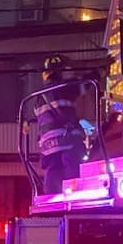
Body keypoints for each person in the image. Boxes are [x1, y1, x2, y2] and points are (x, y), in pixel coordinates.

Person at [35, 55, 88, 195]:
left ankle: (50, 200)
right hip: (68, 141)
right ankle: (75, 196)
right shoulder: (66, 88)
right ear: (60, 72)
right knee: (73, 171)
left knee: (52, 175)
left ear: (45, 74)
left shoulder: (38, 97)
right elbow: (87, 83)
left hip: (48, 146)